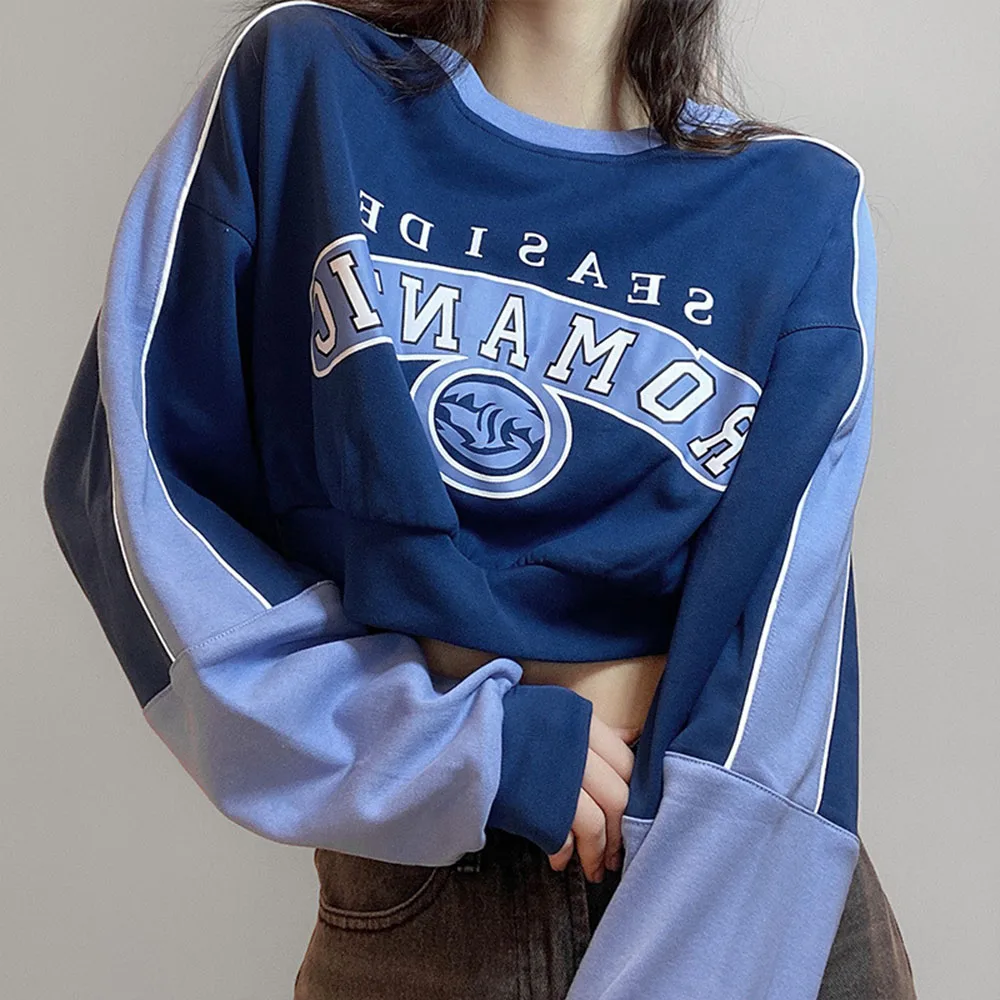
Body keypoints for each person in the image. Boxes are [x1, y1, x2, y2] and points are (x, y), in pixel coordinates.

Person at [42, 1, 918, 996]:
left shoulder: (800, 202)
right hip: (438, 911)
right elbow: (132, 499)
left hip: (732, 890)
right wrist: (472, 741)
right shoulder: (300, 87)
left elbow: (783, 658)